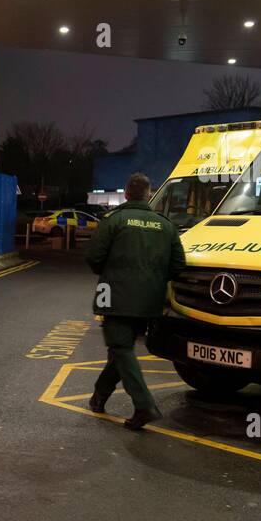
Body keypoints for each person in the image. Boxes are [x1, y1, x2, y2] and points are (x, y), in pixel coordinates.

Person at [86, 172, 186, 430]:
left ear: (127, 194)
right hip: (149, 302)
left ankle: (144, 406)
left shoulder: (114, 220)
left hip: (116, 298)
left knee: (120, 349)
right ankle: (99, 396)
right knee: (122, 349)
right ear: (149, 194)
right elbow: (178, 266)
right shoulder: (165, 225)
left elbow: (94, 258)